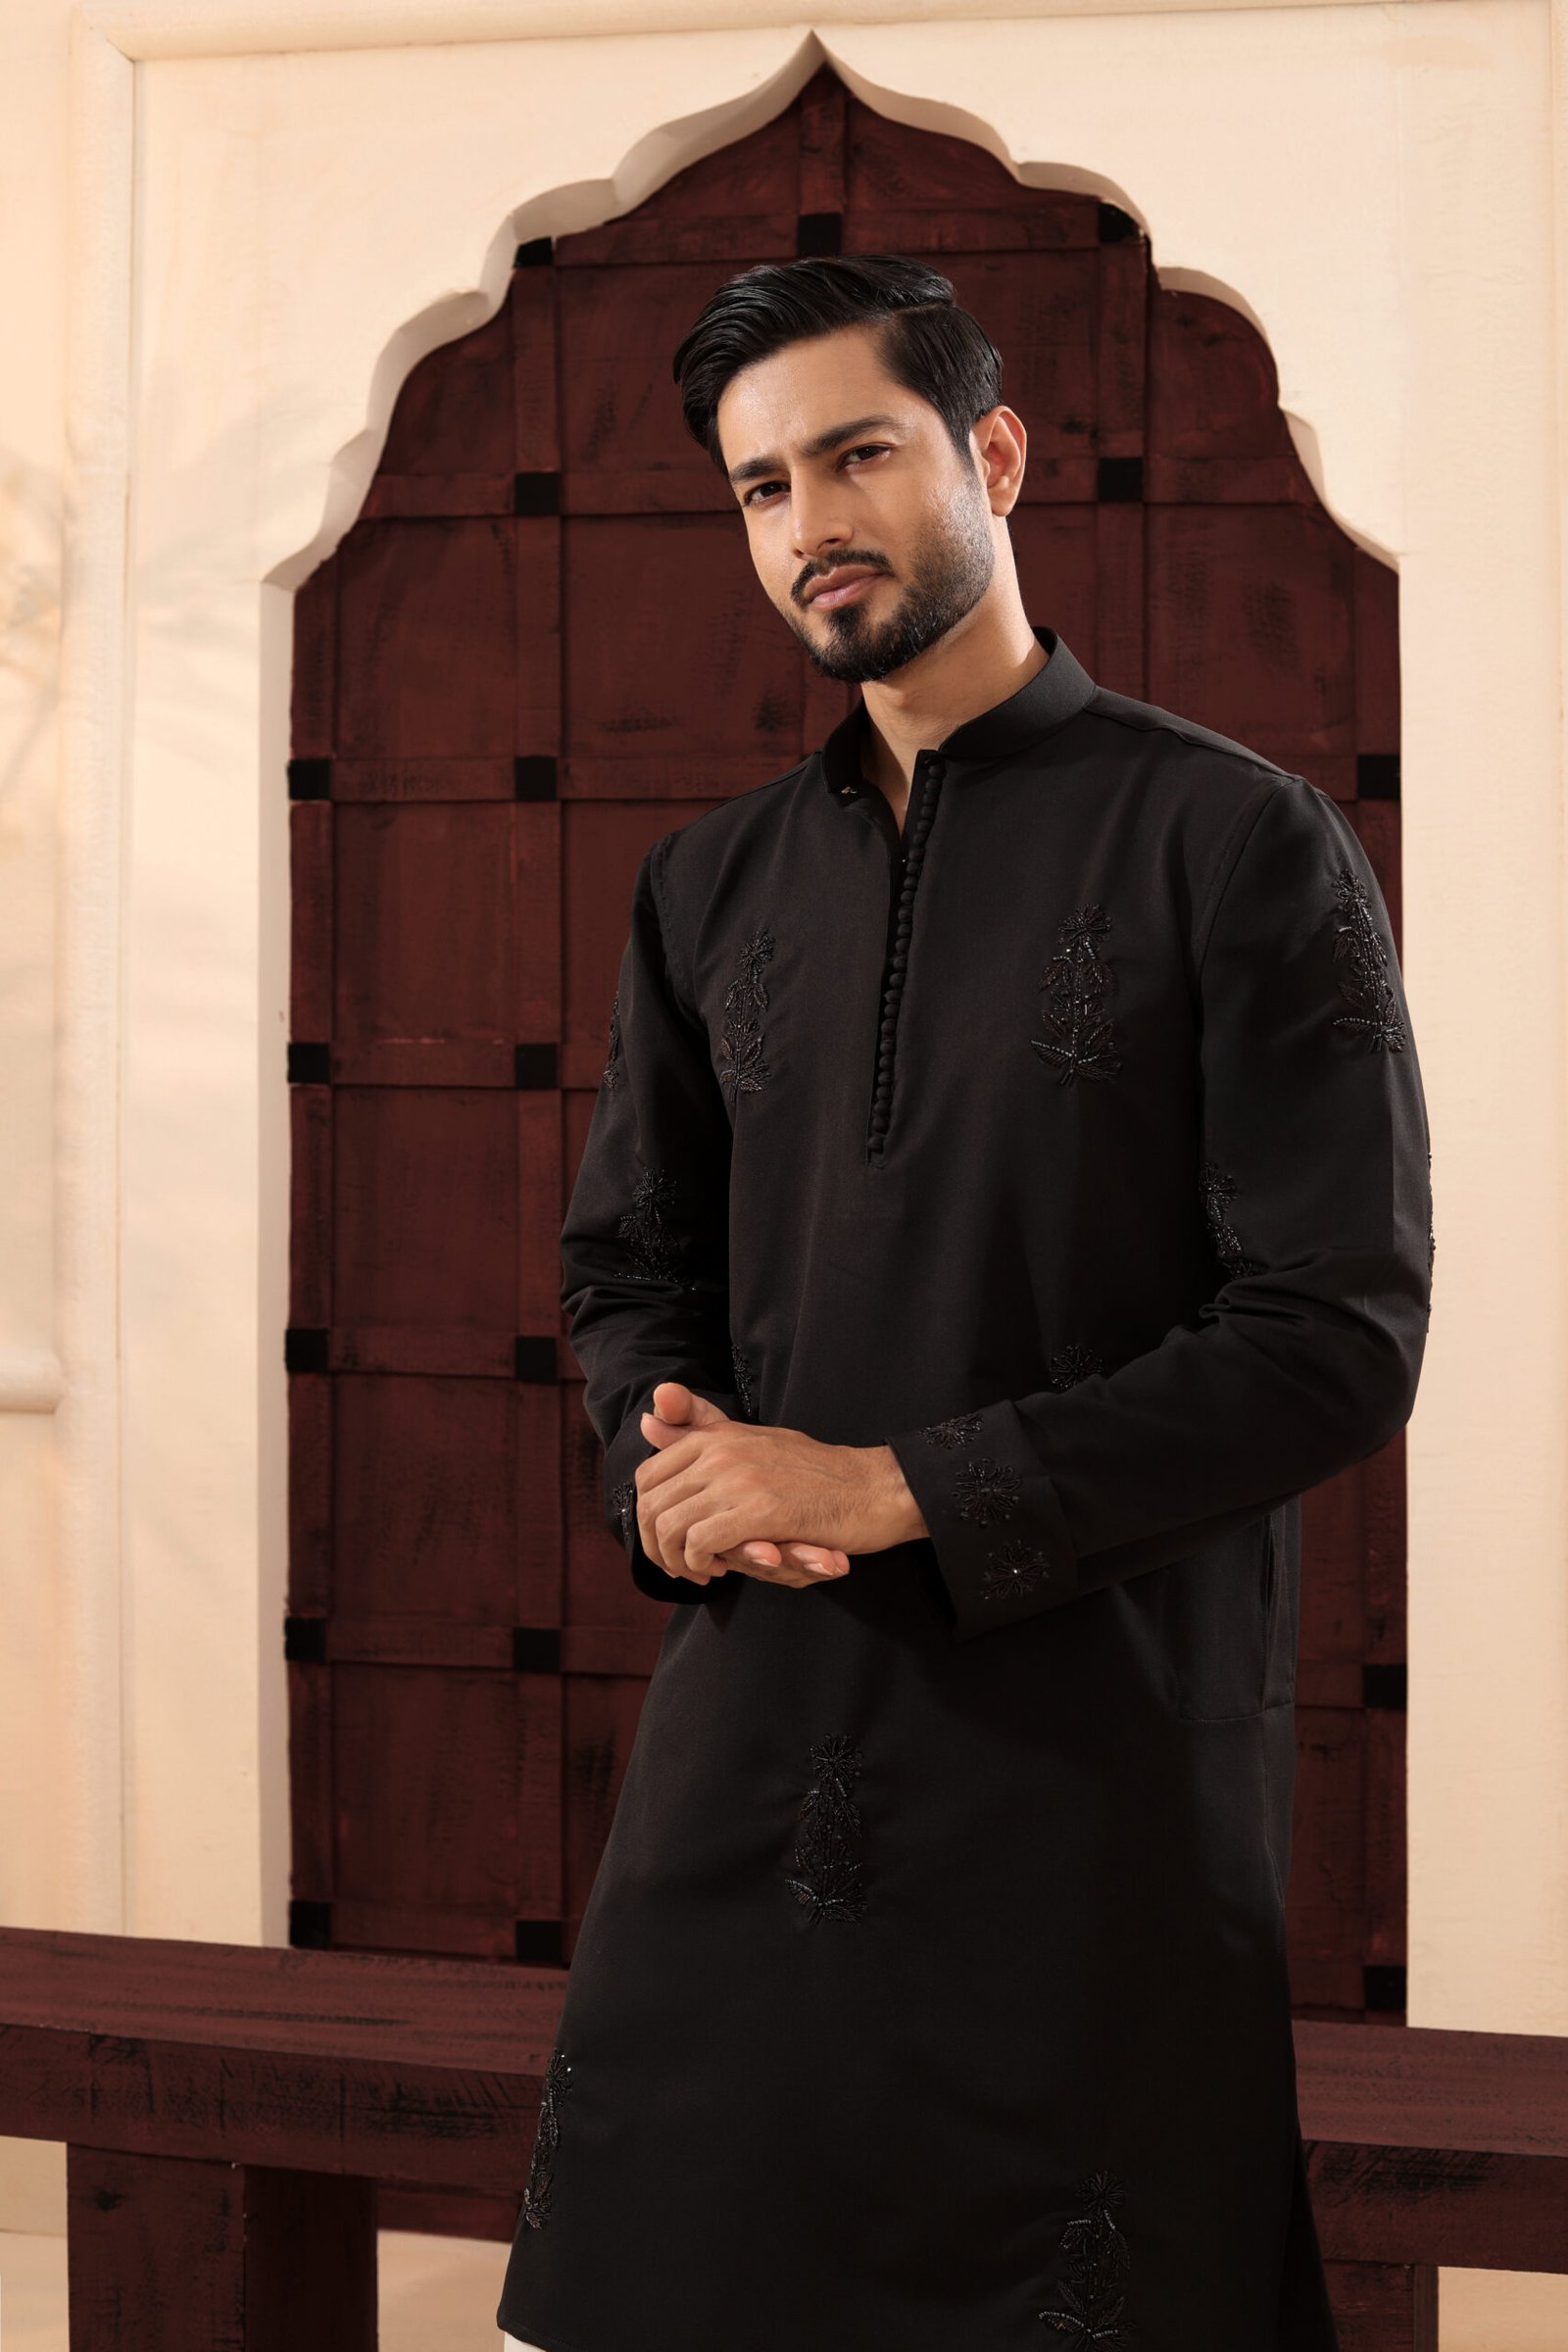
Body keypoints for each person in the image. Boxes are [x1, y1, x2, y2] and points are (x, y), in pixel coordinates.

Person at [497, 253, 1431, 2352]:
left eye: (856, 455)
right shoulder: (708, 884)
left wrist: (890, 1483)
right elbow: (631, 1265)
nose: (806, 523)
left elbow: (1334, 1335)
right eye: (760, 487)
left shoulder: (1236, 844)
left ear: (991, 454)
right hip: (754, 1743)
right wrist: (670, 1465)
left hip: (1087, 1763)